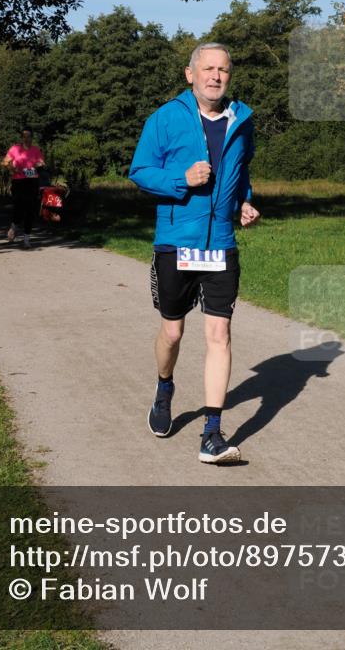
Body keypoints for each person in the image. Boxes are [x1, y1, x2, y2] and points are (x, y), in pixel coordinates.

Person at [129, 42, 261, 465]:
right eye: (208, 68)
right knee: (172, 333)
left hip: (220, 243)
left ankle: (211, 434)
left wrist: (243, 201)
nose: (215, 76)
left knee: (219, 334)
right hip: (176, 242)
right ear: (191, 74)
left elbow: (240, 171)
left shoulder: (242, 120)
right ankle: (164, 385)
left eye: (223, 69)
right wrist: (181, 178)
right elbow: (140, 171)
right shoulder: (165, 118)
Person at [3, 127, 45, 249]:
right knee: (19, 208)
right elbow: (4, 162)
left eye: (29, 136)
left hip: (32, 182)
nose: (26, 139)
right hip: (18, 182)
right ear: (22, 138)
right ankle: (14, 226)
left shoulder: (36, 150)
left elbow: (42, 162)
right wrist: (12, 169)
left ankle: (26, 238)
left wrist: (38, 165)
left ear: (32, 138)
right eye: (24, 136)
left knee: (30, 210)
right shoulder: (15, 149)